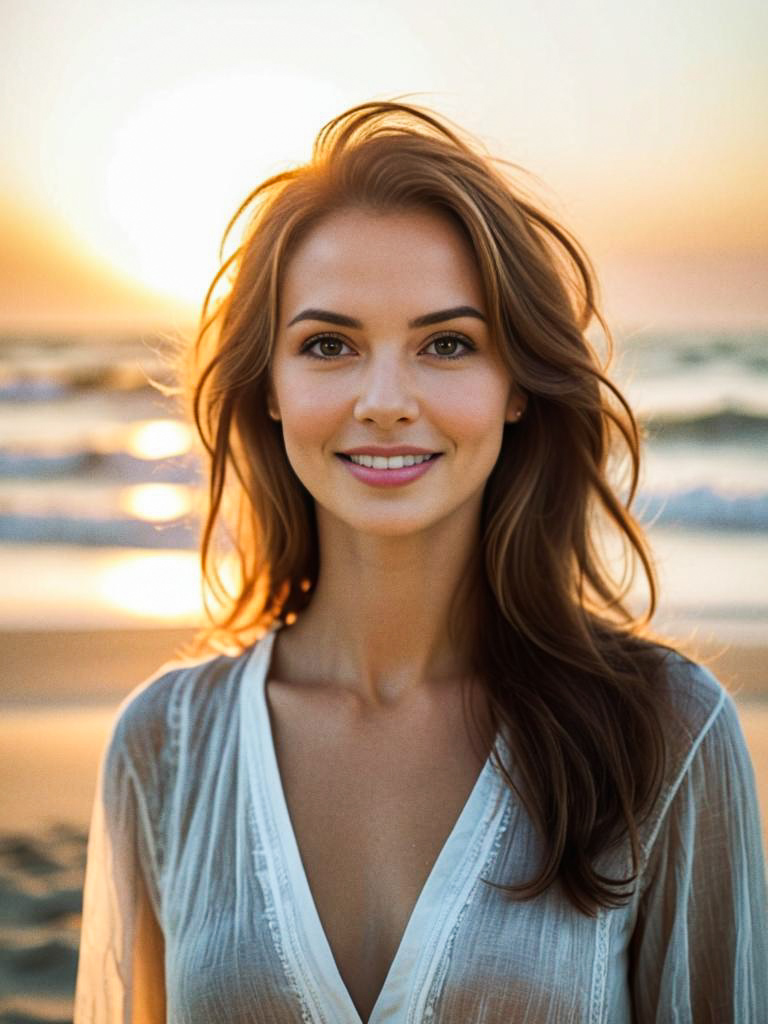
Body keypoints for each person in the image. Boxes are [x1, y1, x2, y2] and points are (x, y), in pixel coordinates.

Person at [74, 100, 767, 1023]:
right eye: (329, 345)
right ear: (270, 390)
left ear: (516, 384)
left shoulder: (670, 735)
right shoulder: (163, 747)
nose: (386, 399)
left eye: (447, 344)